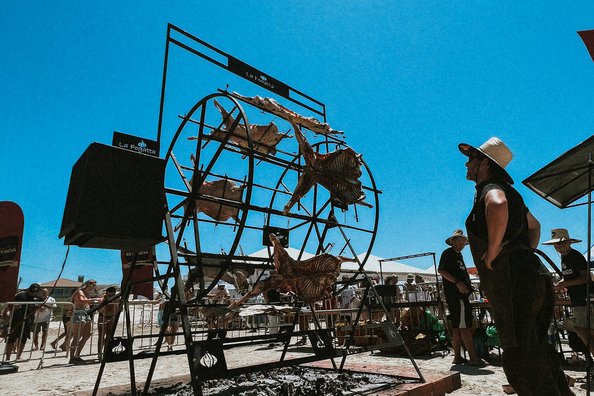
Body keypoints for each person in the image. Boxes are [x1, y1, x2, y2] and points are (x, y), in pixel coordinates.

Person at [460, 137, 573, 395]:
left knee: (520, 358)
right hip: (533, 273)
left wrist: (493, 250)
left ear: (485, 164)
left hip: (514, 281)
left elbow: (497, 205)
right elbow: (535, 226)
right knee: (538, 348)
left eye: (472, 159)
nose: (467, 164)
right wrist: (524, 252)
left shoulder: (492, 189)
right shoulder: (513, 194)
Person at [544, 228, 594, 357]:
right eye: (556, 244)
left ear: (569, 242)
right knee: (583, 330)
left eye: (561, 243)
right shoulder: (565, 258)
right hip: (578, 299)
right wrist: (562, 283)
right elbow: (570, 277)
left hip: (585, 298)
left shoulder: (575, 256)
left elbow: (585, 278)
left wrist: (565, 284)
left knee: (583, 329)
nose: (559, 246)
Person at [438, 229, 483, 366]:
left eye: (464, 241)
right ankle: (473, 357)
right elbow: (441, 270)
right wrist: (457, 283)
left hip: (459, 295)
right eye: (460, 241)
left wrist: (468, 285)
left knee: (457, 327)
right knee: (464, 326)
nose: (462, 243)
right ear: (453, 241)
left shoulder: (458, 256)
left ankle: (457, 356)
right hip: (457, 296)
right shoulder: (448, 253)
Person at [4, 283, 42, 360]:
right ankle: (8, 357)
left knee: (23, 339)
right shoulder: (21, 295)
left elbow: (41, 307)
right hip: (16, 320)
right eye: (31, 291)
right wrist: (7, 315)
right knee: (11, 339)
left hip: (28, 321)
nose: (33, 293)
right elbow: (10, 306)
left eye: (35, 292)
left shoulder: (38, 297)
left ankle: (19, 356)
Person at [69, 279, 100, 364]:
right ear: (88, 284)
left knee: (87, 335)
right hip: (78, 314)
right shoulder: (80, 292)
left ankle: (77, 355)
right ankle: (72, 357)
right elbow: (82, 300)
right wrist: (95, 300)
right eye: (93, 285)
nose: (94, 287)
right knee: (77, 336)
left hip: (86, 314)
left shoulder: (87, 293)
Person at [97, 286, 120, 358]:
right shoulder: (103, 299)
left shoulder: (117, 298)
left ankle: (106, 352)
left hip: (112, 317)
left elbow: (119, 308)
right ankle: (99, 354)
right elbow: (99, 310)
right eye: (110, 295)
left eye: (113, 295)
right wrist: (106, 302)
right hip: (103, 317)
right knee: (101, 336)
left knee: (109, 336)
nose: (112, 296)